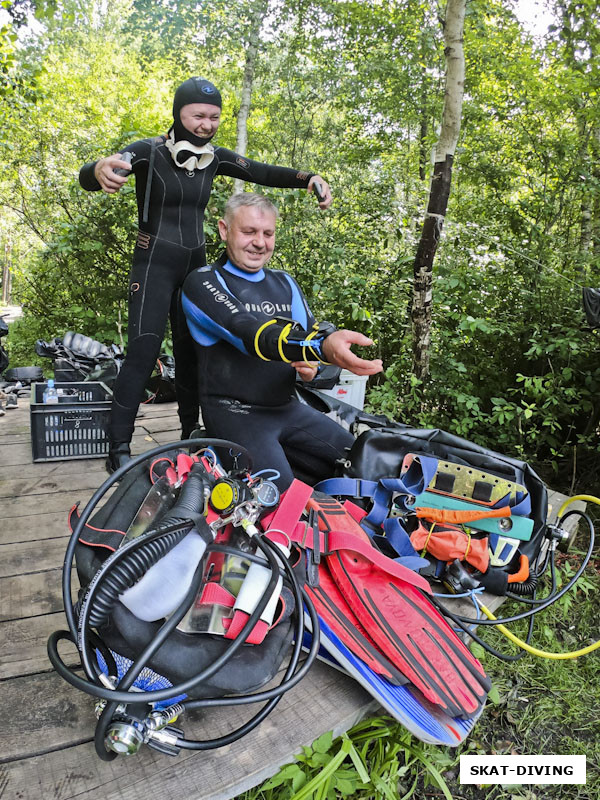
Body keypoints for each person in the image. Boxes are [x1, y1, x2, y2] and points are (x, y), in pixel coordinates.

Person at [79, 77, 332, 472]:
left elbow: (263, 173)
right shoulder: (148, 151)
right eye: (197, 115)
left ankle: (189, 434)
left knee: (191, 352)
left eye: (214, 117)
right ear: (178, 113)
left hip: (195, 266)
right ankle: (119, 450)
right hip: (153, 265)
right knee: (143, 353)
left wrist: (308, 178)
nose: (206, 124)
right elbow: (102, 170)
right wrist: (97, 170)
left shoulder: (215, 158)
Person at [181, 193, 383, 489]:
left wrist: (314, 366)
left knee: (364, 466)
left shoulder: (284, 283)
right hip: (234, 414)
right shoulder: (203, 282)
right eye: (248, 232)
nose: (260, 242)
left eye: (268, 233)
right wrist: (321, 347)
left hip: (287, 408)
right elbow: (247, 332)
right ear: (224, 230)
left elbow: (313, 337)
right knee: (279, 499)